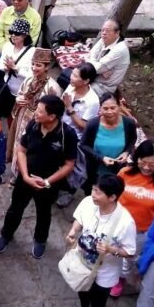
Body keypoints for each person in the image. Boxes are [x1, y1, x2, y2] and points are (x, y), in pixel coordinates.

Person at [0, 95, 78, 259]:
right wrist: (25, 176)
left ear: (52, 116)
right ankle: (6, 234)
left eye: (40, 111)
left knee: (44, 212)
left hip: (48, 183)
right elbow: (21, 150)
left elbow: (69, 164)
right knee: (15, 208)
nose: (36, 113)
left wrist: (47, 181)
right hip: (25, 178)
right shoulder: (34, 124)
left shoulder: (67, 134)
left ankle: (40, 240)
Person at [111, 140, 154, 298]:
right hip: (117, 225)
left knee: (130, 257)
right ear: (137, 158)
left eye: (152, 165)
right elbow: (112, 195)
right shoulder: (124, 173)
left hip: (142, 231)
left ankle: (126, 277)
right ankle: (115, 278)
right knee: (113, 254)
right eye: (143, 162)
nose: (146, 167)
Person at [65, 174, 137, 307]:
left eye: (98, 192)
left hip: (106, 271)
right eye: (93, 189)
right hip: (83, 263)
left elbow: (130, 252)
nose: (93, 195)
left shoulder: (126, 222)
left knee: (98, 304)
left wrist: (111, 249)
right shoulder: (87, 202)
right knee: (82, 288)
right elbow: (79, 219)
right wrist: (73, 232)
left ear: (112, 197)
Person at [7, 48, 62, 177]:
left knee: (31, 148)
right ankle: (17, 174)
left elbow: (54, 111)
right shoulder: (28, 80)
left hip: (39, 123)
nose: (34, 67)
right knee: (19, 143)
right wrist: (18, 99)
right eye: (33, 64)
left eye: (38, 65)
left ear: (47, 67)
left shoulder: (53, 87)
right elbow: (20, 93)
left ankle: (26, 175)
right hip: (23, 117)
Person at [56, 62, 100, 208]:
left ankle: (69, 192)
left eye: (75, 75)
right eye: (73, 74)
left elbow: (84, 126)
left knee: (73, 169)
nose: (72, 77)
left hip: (76, 138)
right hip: (61, 130)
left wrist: (69, 107)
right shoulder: (71, 87)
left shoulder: (92, 101)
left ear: (86, 81)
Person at [0, 0, 42, 99]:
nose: (15, 2)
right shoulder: (6, 11)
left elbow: (32, 39)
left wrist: (15, 62)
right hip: (5, 53)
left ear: (27, 0)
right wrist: (6, 50)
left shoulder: (35, 17)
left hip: (22, 57)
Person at [80, 92, 138, 195]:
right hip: (96, 170)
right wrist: (101, 158)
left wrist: (126, 152)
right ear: (100, 109)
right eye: (105, 109)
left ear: (119, 106)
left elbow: (132, 139)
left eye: (113, 108)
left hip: (117, 170)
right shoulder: (92, 124)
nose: (109, 112)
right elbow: (83, 145)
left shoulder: (129, 123)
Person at [0, 18, 35, 119]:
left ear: (25, 35)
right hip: (6, 86)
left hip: (21, 91)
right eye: (11, 32)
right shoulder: (7, 46)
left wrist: (15, 68)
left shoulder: (32, 51)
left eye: (16, 33)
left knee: (15, 117)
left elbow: (32, 74)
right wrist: (7, 67)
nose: (13, 35)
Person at [86, 19, 130, 97]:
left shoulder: (120, 50)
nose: (104, 33)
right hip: (93, 78)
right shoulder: (104, 39)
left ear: (117, 33)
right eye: (102, 30)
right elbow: (91, 54)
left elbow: (97, 69)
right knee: (65, 76)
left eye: (107, 30)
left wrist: (95, 65)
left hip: (103, 87)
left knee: (72, 86)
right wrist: (97, 65)